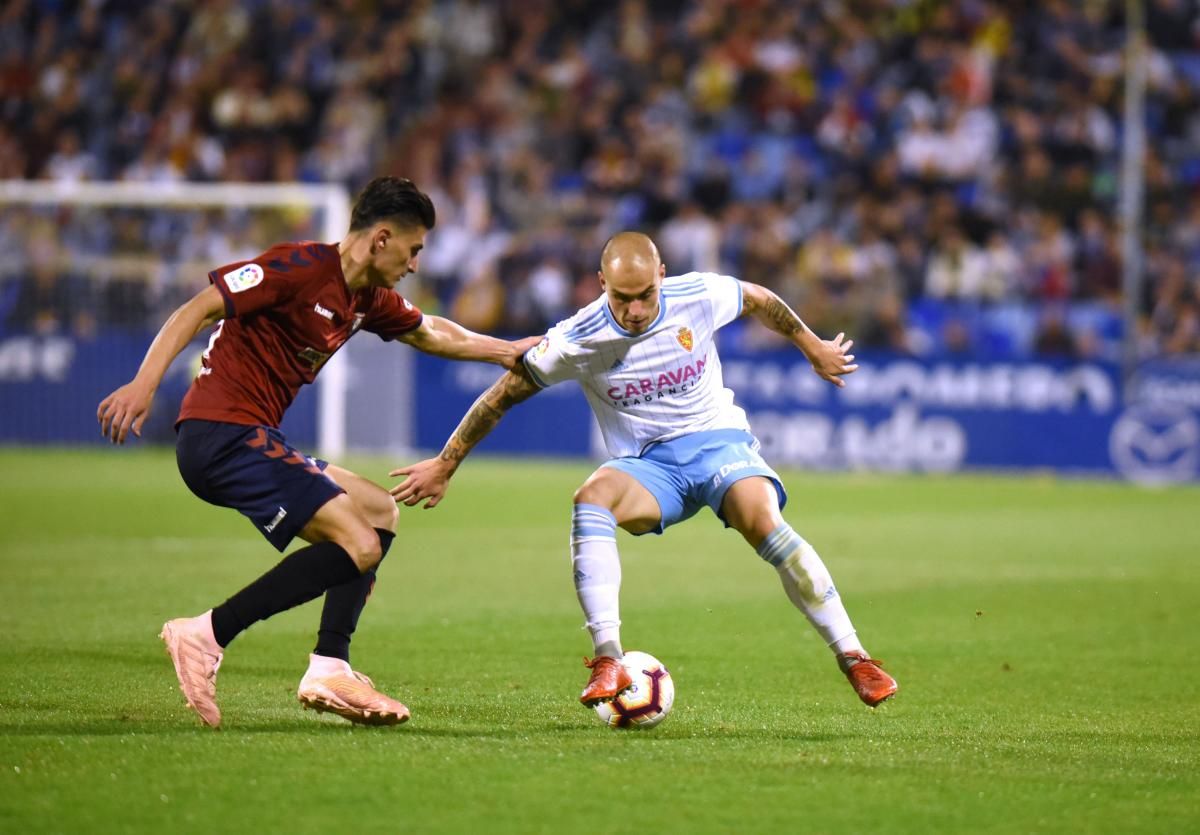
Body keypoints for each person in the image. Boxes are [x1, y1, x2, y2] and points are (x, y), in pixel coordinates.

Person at [391, 232, 898, 710]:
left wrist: (812, 345)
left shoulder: (697, 294)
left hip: (718, 441)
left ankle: (855, 658)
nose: (634, 311)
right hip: (649, 465)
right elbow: (502, 396)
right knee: (591, 497)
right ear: (601, 284)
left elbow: (760, 298)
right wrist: (445, 463)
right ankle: (608, 657)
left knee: (763, 520)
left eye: (645, 295)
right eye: (621, 298)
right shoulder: (577, 337)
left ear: (662, 273)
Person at [97, 176, 535, 728]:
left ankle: (330, 664)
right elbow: (199, 307)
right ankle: (205, 635)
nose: (416, 264)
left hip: (255, 438)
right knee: (357, 543)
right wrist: (145, 383)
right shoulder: (299, 267)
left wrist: (505, 351)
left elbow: (430, 332)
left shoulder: (366, 298)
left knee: (378, 513)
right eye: (414, 248)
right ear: (381, 239)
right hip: (221, 435)